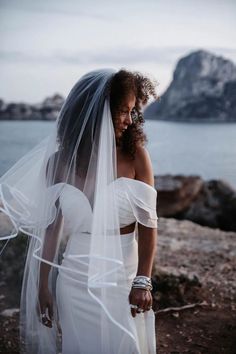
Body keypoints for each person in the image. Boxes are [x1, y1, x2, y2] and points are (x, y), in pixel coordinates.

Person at [0, 68, 159, 354]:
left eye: (132, 111)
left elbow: (149, 225)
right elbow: (52, 227)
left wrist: (143, 281)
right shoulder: (59, 163)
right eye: (122, 111)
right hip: (74, 278)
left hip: (123, 275)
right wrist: (43, 285)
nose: (129, 120)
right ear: (96, 111)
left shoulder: (136, 157)